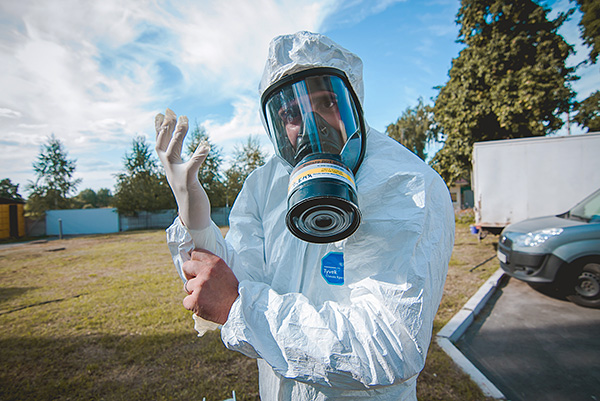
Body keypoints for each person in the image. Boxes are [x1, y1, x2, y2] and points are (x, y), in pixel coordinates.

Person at [156, 31, 455, 401]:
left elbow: (389, 346)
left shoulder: (406, 185)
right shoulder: (265, 183)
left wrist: (240, 308)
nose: (313, 127)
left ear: (353, 103)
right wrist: (195, 217)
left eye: (327, 102)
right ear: (277, 124)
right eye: (291, 113)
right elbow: (234, 277)